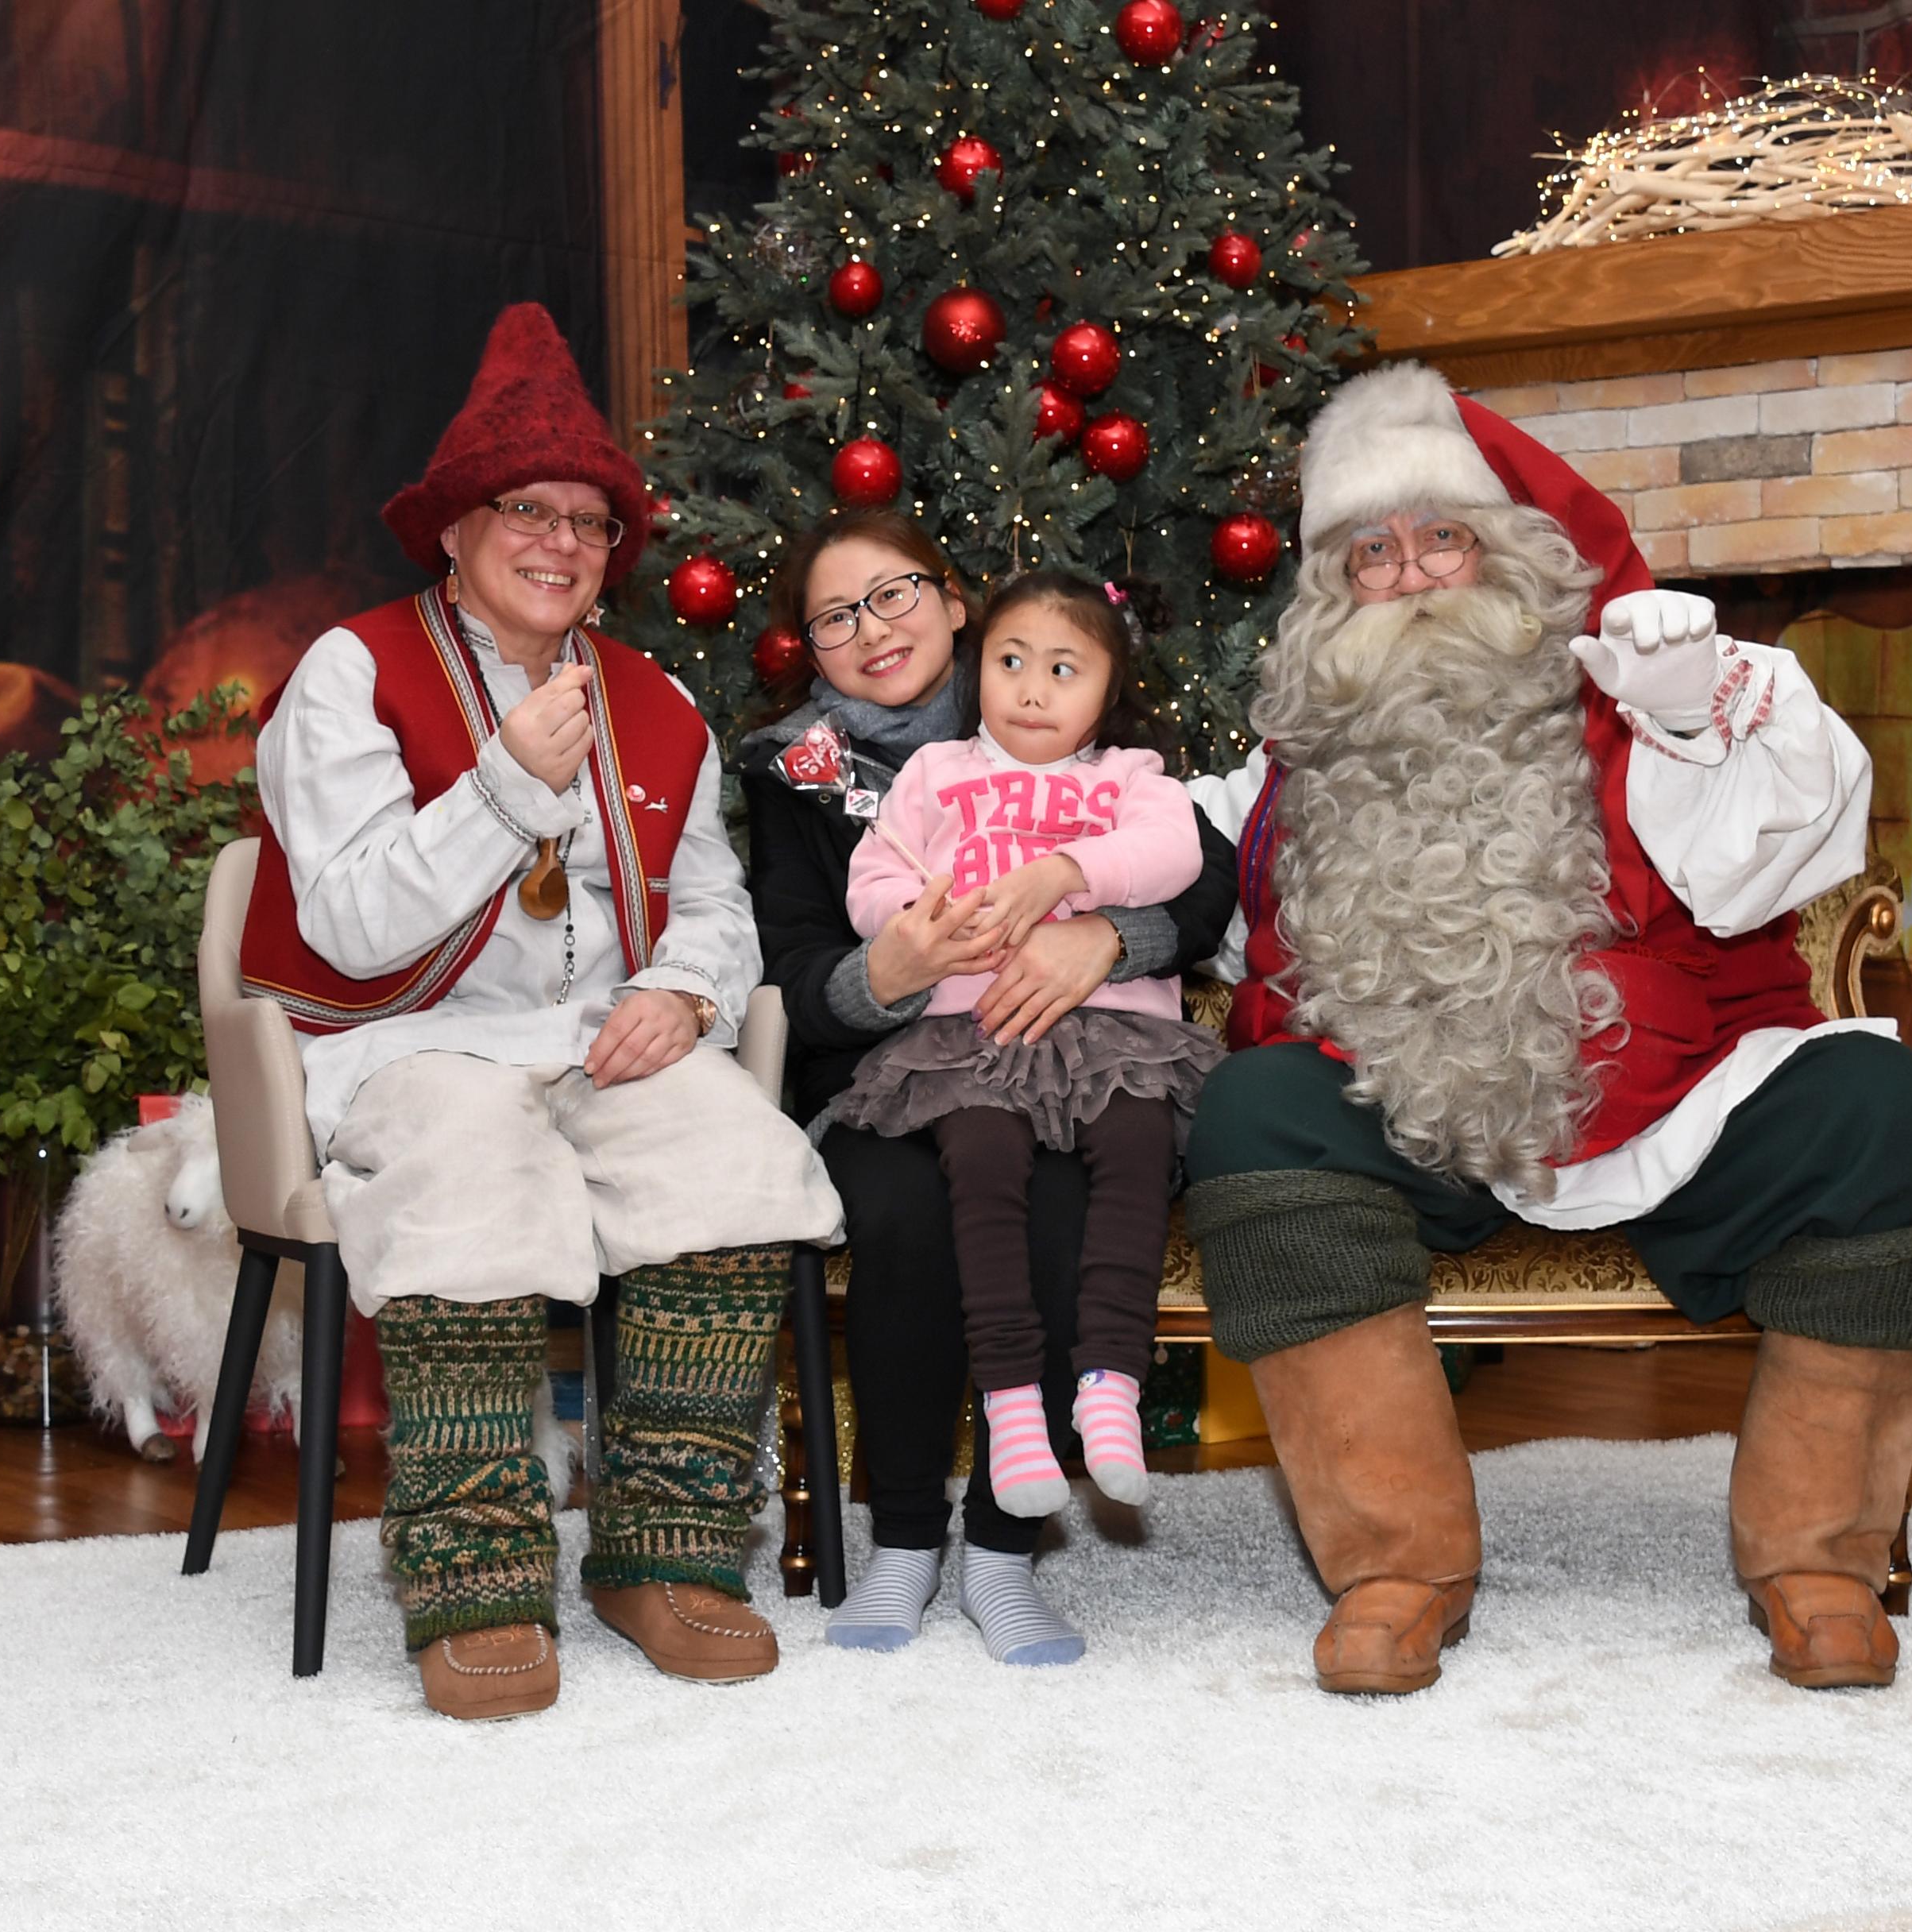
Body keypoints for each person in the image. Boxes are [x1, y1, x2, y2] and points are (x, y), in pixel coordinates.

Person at [1183, 363, 1912, 1698]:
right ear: (1332, 594)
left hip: (1679, 1096)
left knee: (1888, 1121)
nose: (1415, 574)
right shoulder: (1292, 757)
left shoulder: (1656, 691)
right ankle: (1396, 1563)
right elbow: (1175, 874)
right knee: (1254, 1115)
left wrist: (1687, 716)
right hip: (1409, 1106)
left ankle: (1817, 1560)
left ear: (1510, 552)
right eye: (1370, 554)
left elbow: (1791, 839)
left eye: (1443, 535)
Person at [245, 304, 843, 1719]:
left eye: (590, 521)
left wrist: (682, 987)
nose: (563, 543)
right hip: (402, 1043)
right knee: (471, 1171)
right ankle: (475, 1577)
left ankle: (666, 1549)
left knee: (738, 1164)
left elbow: (712, 900)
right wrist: (508, 783)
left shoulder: (658, 703)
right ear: (454, 527)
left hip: (595, 1041)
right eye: (528, 509)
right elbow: (348, 917)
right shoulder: (352, 670)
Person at [737, 513, 1238, 1667]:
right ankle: (907, 1543)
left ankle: (1007, 1551)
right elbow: (795, 975)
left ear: (958, 604)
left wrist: (1104, 937)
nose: (873, 629)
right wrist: (890, 973)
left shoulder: (1046, 705)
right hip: (892, 1074)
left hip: (1076, 1047)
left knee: (1065, 1205)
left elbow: (1201, 880)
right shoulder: (794, 775)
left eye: (897, 593)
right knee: (909, 1220)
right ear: (809, 649)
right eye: (835, 615)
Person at [832, 570, 1221, 1537]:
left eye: (1063, 669)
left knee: (1137, 1156)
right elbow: (872, 878)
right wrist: (919, 925)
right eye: (1011, 663)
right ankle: (1011, 1402)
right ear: (978, 672)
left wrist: (1066, 869)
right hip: (975, 1034)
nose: (1033, 690)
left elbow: (1177, 857)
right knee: (983, 1168)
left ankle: (1110, 1383)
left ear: (1107, 689)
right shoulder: (935, 774)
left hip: (1116, 1036)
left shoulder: (1129, 777)